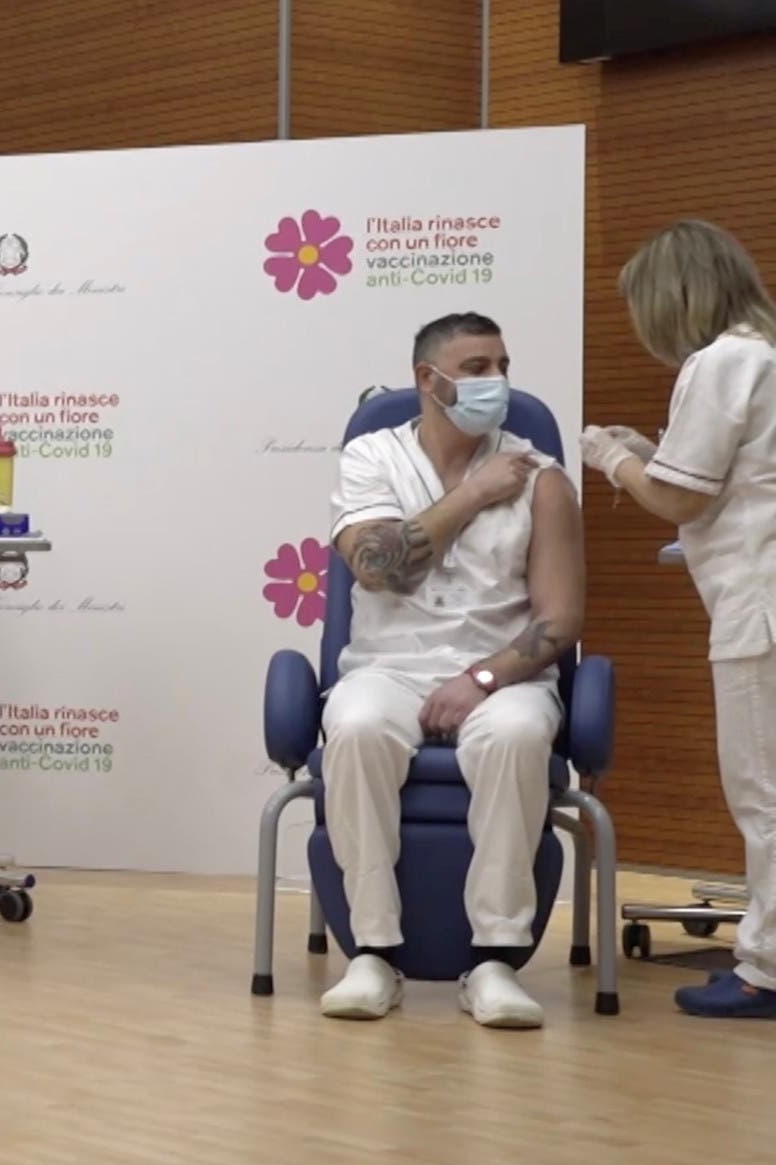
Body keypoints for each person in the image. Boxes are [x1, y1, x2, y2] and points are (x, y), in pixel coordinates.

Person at [322, 311, 583, 1029]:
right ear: (426, 381)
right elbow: (377, 570)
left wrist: (484, 680)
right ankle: (372, 951)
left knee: (515, 737)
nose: (493, 381)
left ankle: (495, 958)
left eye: (501, 364)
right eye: (474, 369)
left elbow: (559, 620)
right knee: (355, 725)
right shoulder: (370, 458)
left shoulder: (542, 478)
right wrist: (472, 494)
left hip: (504, 673)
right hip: (387, 666)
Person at [584, 220, 776, 1020]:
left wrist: (609, 456)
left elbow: (681, 496)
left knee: (763, 795)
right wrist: (648, 451)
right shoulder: (763, 354)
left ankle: (765, 969)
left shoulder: (722, 360)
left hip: (759, 610)